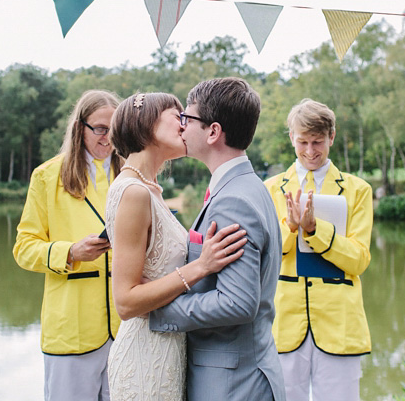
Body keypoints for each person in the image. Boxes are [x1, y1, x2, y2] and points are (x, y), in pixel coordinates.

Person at [149, 77, 287, 401]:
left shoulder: (234, 200)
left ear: (212, 132)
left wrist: (158, 309)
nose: (181, 126)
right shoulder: (246, 187)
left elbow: (236, 303)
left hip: (232, 384)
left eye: (188, 118)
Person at [104, 91, 248, 401]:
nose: (185, 126)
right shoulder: (134, 192)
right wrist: (201, 266)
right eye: (177, 116)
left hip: (169, 348)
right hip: (145, 360)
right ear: (147, 123)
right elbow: (126, 302)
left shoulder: (149, 189)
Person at [13, 90, 123, 401]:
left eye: (114, 130)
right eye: (100, 129)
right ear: (80, 128)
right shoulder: (47, 177)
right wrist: (70, 253)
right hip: (71, 330)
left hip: (125, 329)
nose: (108, 138)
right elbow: (24, 248)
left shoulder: (130, 175)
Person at [264, 99, 373, 401]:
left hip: (341, 324)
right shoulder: (270, 189)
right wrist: (292, 226)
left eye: (318, 142)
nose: (310, 151)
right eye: (303, 142)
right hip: (284, 322)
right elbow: (266, 255)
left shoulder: (358, 190)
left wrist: (315, 231)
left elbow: (359, 259)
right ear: (291, 138)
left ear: (332, 137)